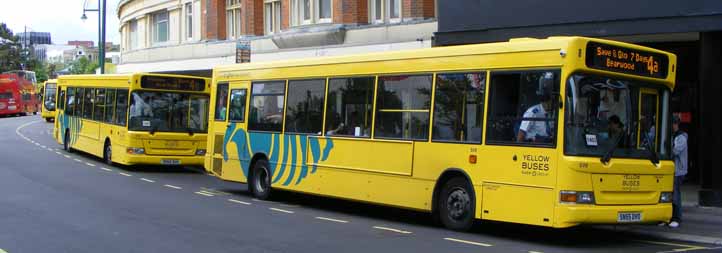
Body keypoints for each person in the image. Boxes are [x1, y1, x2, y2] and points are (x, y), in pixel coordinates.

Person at [517, 72, 555, 143]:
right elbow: (521, 134)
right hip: (534, 144)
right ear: (544, 101)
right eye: (550, 101)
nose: (552, 104)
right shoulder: (532, 112)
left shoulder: (553, 112)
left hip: (548, 143)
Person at [669, 115, 688, 228]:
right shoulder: (672, 135)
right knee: (671, 193)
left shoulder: (681, 137)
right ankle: (670, 217)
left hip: (678, 170)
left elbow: (675, 151)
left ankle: (677, 217)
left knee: (676, 194)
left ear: (676, 124)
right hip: (672, 169)